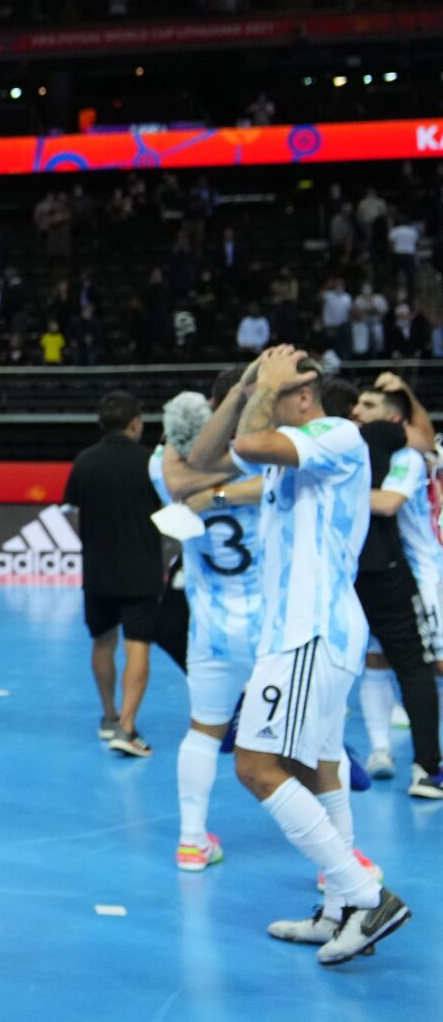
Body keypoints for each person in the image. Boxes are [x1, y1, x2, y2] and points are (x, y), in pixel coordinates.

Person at [194, 347, 411, 965]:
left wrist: (265, 392)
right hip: (310, 634)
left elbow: (254, 442)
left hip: (309, 633)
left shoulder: (335, 433)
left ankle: (364, 894)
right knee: (320, 766)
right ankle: (342, 911)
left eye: (276, 386)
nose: (263, 393)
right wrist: (243, 389)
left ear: (305, 392)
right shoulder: (283, 455)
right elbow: (203, 461)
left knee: (257, 767)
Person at [151, 381, 264, 872]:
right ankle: (334, 860)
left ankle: (192, 841)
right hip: (275, 624)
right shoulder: (262, 461)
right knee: (314, 743)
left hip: (212, 626)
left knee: (202, 732)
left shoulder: (162, 469)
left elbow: (182, 468)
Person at [349, 377, 443, 797]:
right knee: (376, 661)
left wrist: (337, 494)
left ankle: (427, 761)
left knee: (429, 666)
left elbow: (388, 503)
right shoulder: (359, 453)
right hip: (378, 575)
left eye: (367, 405)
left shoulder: (404, 456)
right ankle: (381, 752)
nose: (357, 411)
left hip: (423, 578)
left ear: (392, 418)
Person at [63, 392, 165, 757]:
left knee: (102, 643)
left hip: (99, 571)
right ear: (135, 423)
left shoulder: (85, 462)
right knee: (138, 646)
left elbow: (72, 511)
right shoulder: (152, 462)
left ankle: (108, 717)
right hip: (141, 570)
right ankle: (127, 726)